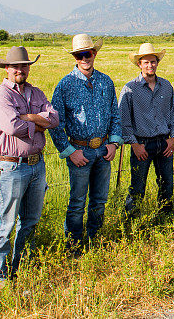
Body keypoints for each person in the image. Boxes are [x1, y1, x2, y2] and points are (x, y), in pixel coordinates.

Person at [0, 47, 59, 286]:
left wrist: (28, 118)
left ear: (29, 68)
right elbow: (12, 127)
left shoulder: (36, 93)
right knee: (6, 222)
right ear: (6, 69)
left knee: (30, 220)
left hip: (37, 165)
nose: (20, 70)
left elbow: (55, 119)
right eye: (15, 66)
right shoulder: (1, 96)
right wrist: (38, 120)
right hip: (12, 167)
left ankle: (21, 267)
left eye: (24, 65)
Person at [50, 34, 123, 249]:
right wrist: (70, 151)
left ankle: (95, 242)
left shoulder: (106, 81)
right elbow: (55, 123)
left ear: (95, 54)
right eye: (80, 55)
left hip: (103, 150)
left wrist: (114, 143)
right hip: (79, 152)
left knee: (99, 202)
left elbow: (115, 115)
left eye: (88, 53)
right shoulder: (65, 85)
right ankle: (74, 245)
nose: (85, 58)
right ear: (75, 57)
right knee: (77, 203)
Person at [118, 42, 174, 216]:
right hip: (142, 144)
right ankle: (132, 221)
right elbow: (124, 119)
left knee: (167, 184)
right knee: (137, 186)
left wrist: (173, 139)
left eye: (153, 62)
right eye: (146, 62)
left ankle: (165, 217)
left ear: (157, 63)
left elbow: (173, 113)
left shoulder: (166, 86)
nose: (150, 65)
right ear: (139, 64)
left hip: (164, 143)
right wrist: (134, 144)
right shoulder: (130, 89)